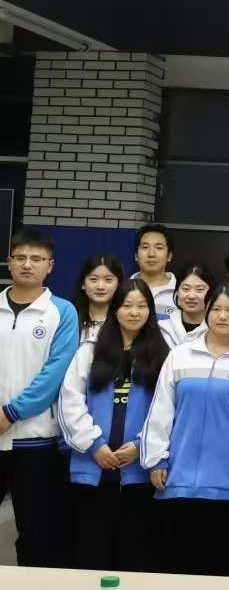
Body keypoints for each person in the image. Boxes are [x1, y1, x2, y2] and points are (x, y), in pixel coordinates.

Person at [141, 281, 229, 577]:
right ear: (207, 310)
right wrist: (157, 459)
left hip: (228, 482)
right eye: (216, 309)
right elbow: (161, 410)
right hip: (177, 479)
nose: (222, 316)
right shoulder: (180, 355)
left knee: (220, 565)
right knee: (178, 566)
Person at [57, 279, 171, 571]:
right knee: (91, 554)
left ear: (150, 311)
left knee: (136, 557)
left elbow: (169, 409)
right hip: (92, 468)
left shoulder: (164, 355)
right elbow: (70, 400)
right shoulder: (90, 350)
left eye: (142, 306)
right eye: (127, 305)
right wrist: (95, 445)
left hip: (140, 473)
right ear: (114, 309)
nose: (134, 312)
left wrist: (141, 445)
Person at [0, 228, 78, 568]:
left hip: (36, 441)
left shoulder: (62, 311)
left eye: (36, 258)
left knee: (36, 533)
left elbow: (55, 373)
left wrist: (10, 413)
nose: (27, 264)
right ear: (9, 262)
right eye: (20, 257)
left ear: (50, 265)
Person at [73, 253, 125, 343]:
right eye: (93, 279)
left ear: (119, 284)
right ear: (83, 284)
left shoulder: (125, 323)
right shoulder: (71, 320)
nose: (100, 286)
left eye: (108, 280)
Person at [162, 262, 217, 347]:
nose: (192, 296)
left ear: (211, 293)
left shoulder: (218, 330)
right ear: (177, 292)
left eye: (199, 289)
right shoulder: (162, 328)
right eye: (186, 289)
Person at [133, 223, 177, 319]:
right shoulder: (121, 289)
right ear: (136, 255)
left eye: (159, 248)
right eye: (145, 247)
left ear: (169, 256)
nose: (151, 254)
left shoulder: (181, 292)